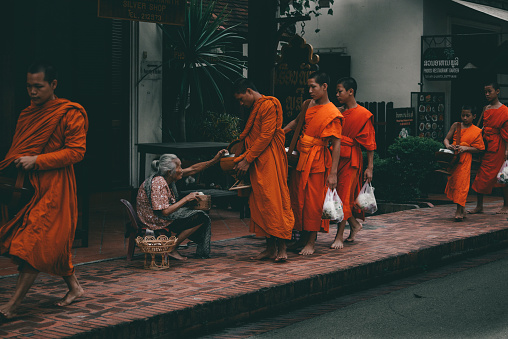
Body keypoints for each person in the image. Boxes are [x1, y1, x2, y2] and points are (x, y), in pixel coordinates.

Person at [0, 61, 88, 322]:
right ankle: (74, 287)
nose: (32, 92)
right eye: (29, 86)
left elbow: (77, 152)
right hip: (29, 187)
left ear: (53, 85)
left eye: (38, 86)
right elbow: (19, 148)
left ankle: (12, 306)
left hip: (56, 187)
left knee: (33, 244)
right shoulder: (27, 114)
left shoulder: (70, 112)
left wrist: (37, 160)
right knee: (50, 242)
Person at [232, 78, 295, 262]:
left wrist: (247, 160)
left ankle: (282, 248)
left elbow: (266, 136)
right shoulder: (256, 107)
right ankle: (269, 248)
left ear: (250, 91)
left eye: (241, 99)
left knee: (274, 201)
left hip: (270, 160)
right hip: (259, 160)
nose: (241, 104)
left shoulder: (269, 104)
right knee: (261, 203)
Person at [284, 72, 343, 255]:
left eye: (313, 87)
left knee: (313, 202)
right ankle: (301, 238)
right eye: (308, 87)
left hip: (318, 160)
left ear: (324, 87)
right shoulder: (307, 104)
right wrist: (280, 132)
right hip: (302, 157)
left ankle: (311, 241)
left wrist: (333, 173)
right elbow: (297, 122)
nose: (310, 91)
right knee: (298, 198)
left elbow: (336, 143)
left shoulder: (333, 112)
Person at [137, 150, 226, 260]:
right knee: (200, 217)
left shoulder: (168, 176)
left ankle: (173, 246)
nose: (181, 170)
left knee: (199, 214)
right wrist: (186, 199)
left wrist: (214, 160)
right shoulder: (158, 183)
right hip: (154, 220)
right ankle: (171, 248)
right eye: (179, 167)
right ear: (170, 172)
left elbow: (193, 169)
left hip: (159, 215)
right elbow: (164, 212)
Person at [331, 77, 376, 249]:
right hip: (335, 157)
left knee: (343, 196)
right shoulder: (338, 112)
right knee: (338, 195)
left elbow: (370, 144)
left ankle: (339, 236)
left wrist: (369, 167)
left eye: (340, 91)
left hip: (351, 159)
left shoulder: (363, 115)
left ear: (351, 92)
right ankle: (355, 225)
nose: (337, 95)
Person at [469, 81, 508, 214]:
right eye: (485, 92)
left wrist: (507, 150)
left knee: (502, 176)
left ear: (497, 91)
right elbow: (481, 127)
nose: (487, 94)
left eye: (489, 91)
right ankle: (479, 206)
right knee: (481, 175)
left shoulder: (505, 110)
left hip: (499, 147)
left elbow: (507, 133)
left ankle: (506, 205)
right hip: (485, 146)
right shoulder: (486, 108)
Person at [444, 106, 485, 221]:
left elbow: (480, 149)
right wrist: (448, 145)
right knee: (454, 183)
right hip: (454, 159)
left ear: (474, 117)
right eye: (463, 115)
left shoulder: (476, 131)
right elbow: (446, 139)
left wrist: (465, 148)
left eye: (468, 116)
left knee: (462, 185)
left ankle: (458, 210)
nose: (465, 118)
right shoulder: (456, 125)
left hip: (465, 160)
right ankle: (462, 209)